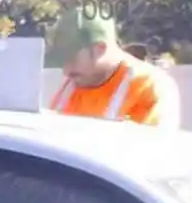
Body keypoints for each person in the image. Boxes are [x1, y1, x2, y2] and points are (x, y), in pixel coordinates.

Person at [44, 8, 180, 126]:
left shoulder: (149, 86)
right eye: (61, 60)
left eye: (71, 58)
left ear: (100, 48)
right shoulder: (71, 85)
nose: (66, 70)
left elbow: (144, 151)